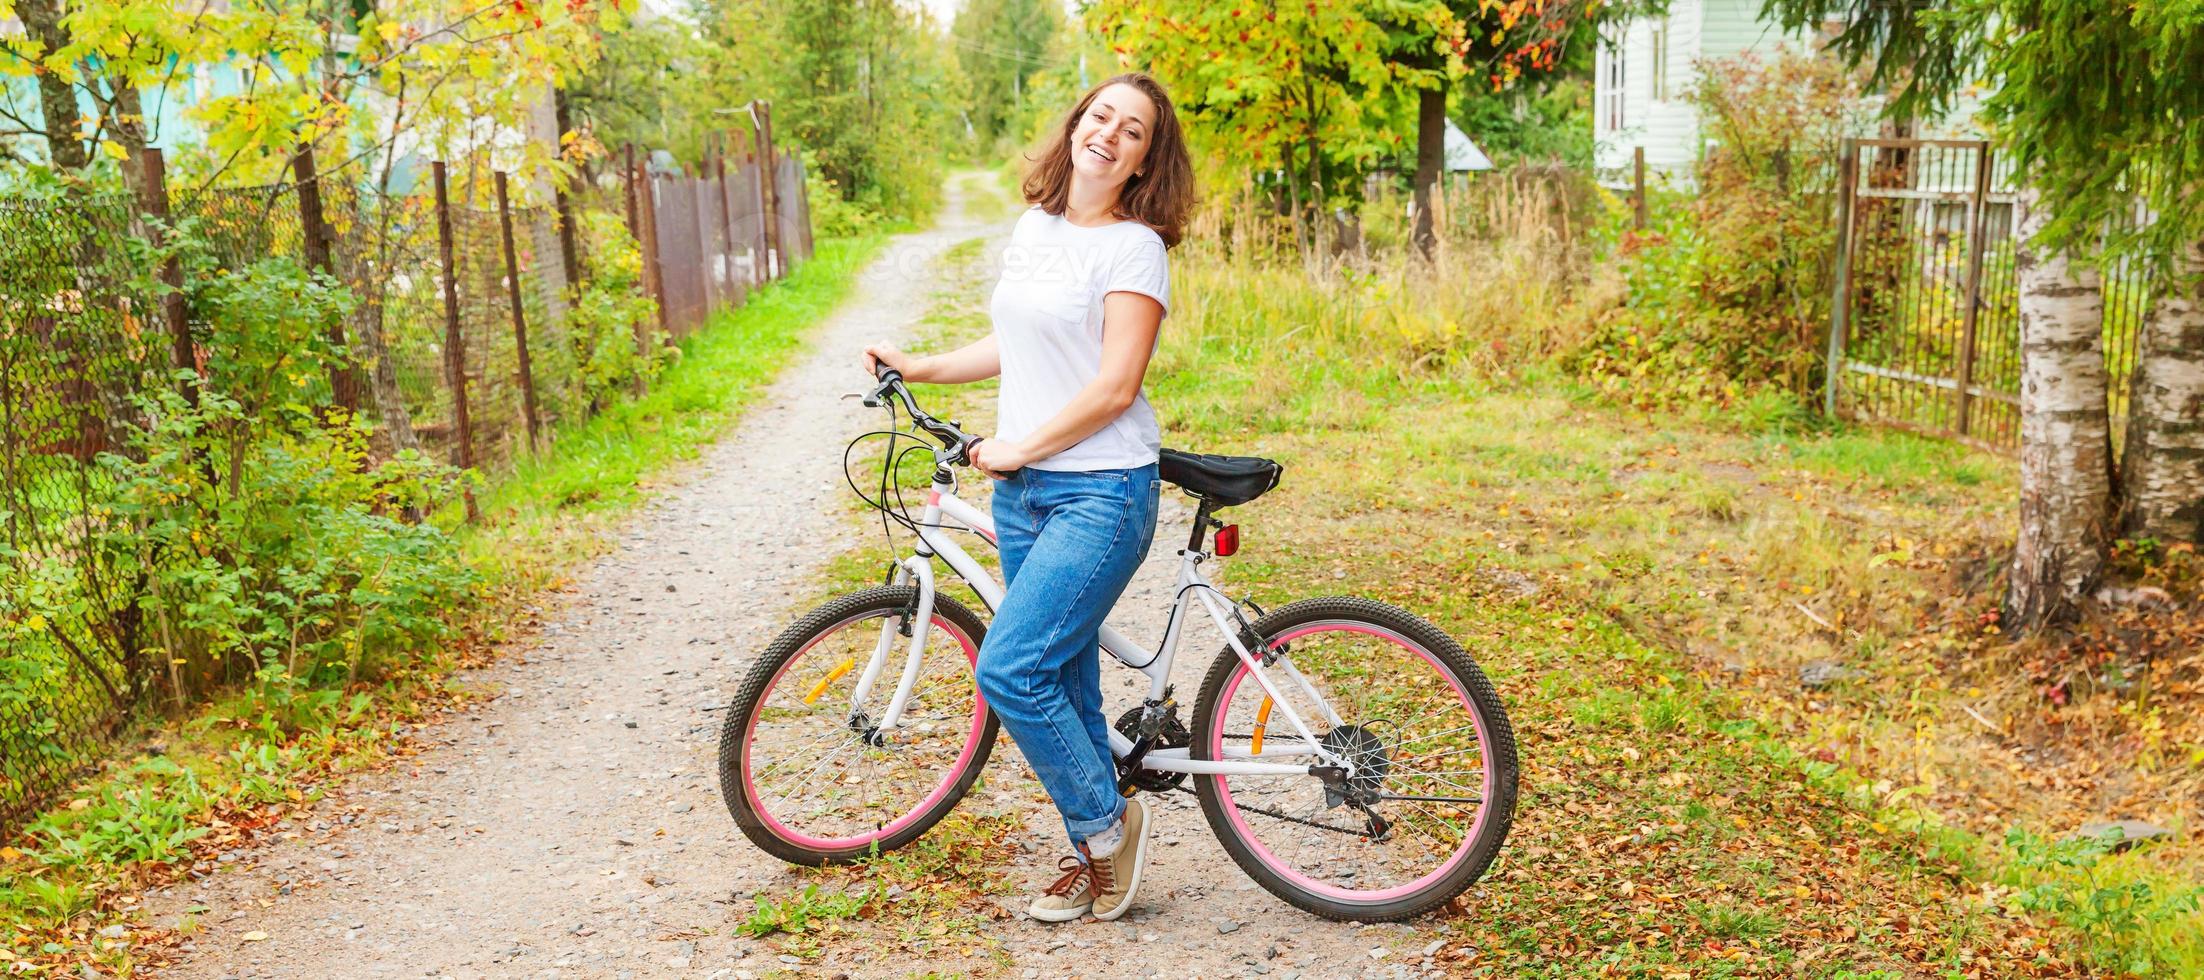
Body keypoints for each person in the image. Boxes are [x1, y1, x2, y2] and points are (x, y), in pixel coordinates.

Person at [862, 72, 1194, 923]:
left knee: (1010, 668)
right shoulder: (1036, 226)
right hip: (1024, 497)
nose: (1110, 135)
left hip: (1101, 493)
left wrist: (1015, 446)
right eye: (1102, 117)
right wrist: (924, 366)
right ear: (1078, 125)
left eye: (1133, 131)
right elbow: (1019, 339)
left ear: (1145, 160)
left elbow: (1115, 386)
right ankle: (1099, 853)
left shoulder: (1134, 248)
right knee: (1063, 682)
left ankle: (1107, 827)